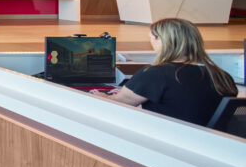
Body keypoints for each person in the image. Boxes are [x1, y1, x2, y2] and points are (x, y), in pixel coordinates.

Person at [94, 18, 237, 126]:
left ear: (160, 40)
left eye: (151, 38)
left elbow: (117, 103)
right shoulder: (222, 76)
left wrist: (101, 96)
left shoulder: (156, 74)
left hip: (167, 141)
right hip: (210, 144)